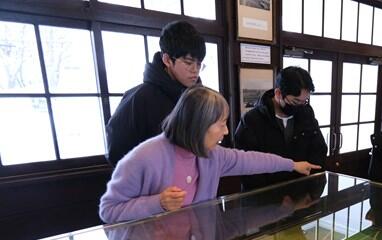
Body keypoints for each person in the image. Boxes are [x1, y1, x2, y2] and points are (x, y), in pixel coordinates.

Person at [99, 86, 320, 224]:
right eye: (221, 124)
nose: (226, 131)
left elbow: (252, 160)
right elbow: (109, 211)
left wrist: (292, 165)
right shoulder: (144, 157)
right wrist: (158, 203)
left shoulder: (212, 154)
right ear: (199, 124)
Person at [106, 20, 205, 166]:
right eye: (189, 62)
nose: (195, 70)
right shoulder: (139, 98)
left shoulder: (198, 96)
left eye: (199, 63)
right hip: (155, 179)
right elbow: (117, 152)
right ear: (167, 60)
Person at [230, 66, 327, 191]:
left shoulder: (306, 113)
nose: (300, 106)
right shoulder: (252, 120)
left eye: (304, 101)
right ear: (278, 93)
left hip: (301, 191)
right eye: (295, 101)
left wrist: (310, 191)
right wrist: (275, 197)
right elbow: (246, 166)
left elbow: (319, 150)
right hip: (264, 195)